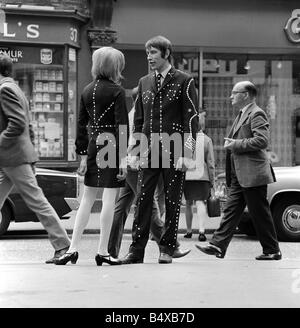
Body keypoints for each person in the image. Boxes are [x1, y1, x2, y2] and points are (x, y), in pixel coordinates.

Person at [121, 35, 199, 265]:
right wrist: (134, 151)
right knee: (143, 201)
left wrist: (188, 153)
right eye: (147, 53)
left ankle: (166, 249)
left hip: (175, 150)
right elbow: (139, 121)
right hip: (148, 151)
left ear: (166, 54)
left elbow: (191, 120)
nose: (149, 57)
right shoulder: (144, 81)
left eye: (154, 52)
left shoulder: (185, 80)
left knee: (173, 201)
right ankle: (136, 251)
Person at [54, 46, 129, 266]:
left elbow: (80, 125)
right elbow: (121, 126)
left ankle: (73, 248)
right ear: (115, 66)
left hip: (94, 146)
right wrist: (124, 158)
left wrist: (83, 156)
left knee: (86, 199)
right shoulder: (117, 91)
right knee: (109, 198)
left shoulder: (87, 90)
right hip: (112, 146)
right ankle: (103, 251)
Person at [196, 81, 282, 260]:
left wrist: (237, 144)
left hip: (252, 174)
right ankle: (218, 245)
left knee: (260, 214)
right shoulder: (242, 114)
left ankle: (272, 250)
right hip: (239, 174)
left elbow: (262, 140)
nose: (231, 96)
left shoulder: (257, 113)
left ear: (246, 95)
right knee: (231, 211)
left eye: (235, 93)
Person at [0, 53, 70, 264]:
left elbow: (18, 123)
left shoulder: (4, 89)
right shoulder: (15, 88)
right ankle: (63, 245)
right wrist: (32, 154)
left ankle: (63, 245)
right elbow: (28, 126)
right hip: (14, 157)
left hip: (13, 158)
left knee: (37, 201)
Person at [108, 88, 190, 259]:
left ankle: (110, 250)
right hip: (135, 163)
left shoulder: (132, 114)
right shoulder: (136, 116)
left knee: (122, 207)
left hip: (131, 162)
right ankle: (171, 246)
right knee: (148, 204)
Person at [183, 112, 215, 242]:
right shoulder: (207, 140)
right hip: (203, 177)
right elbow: (211, 163)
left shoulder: (186, 140)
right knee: (201, 202)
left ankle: (189, 231)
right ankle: (201, 231)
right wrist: (212, 181)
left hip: (188, 176)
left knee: (188, 204)